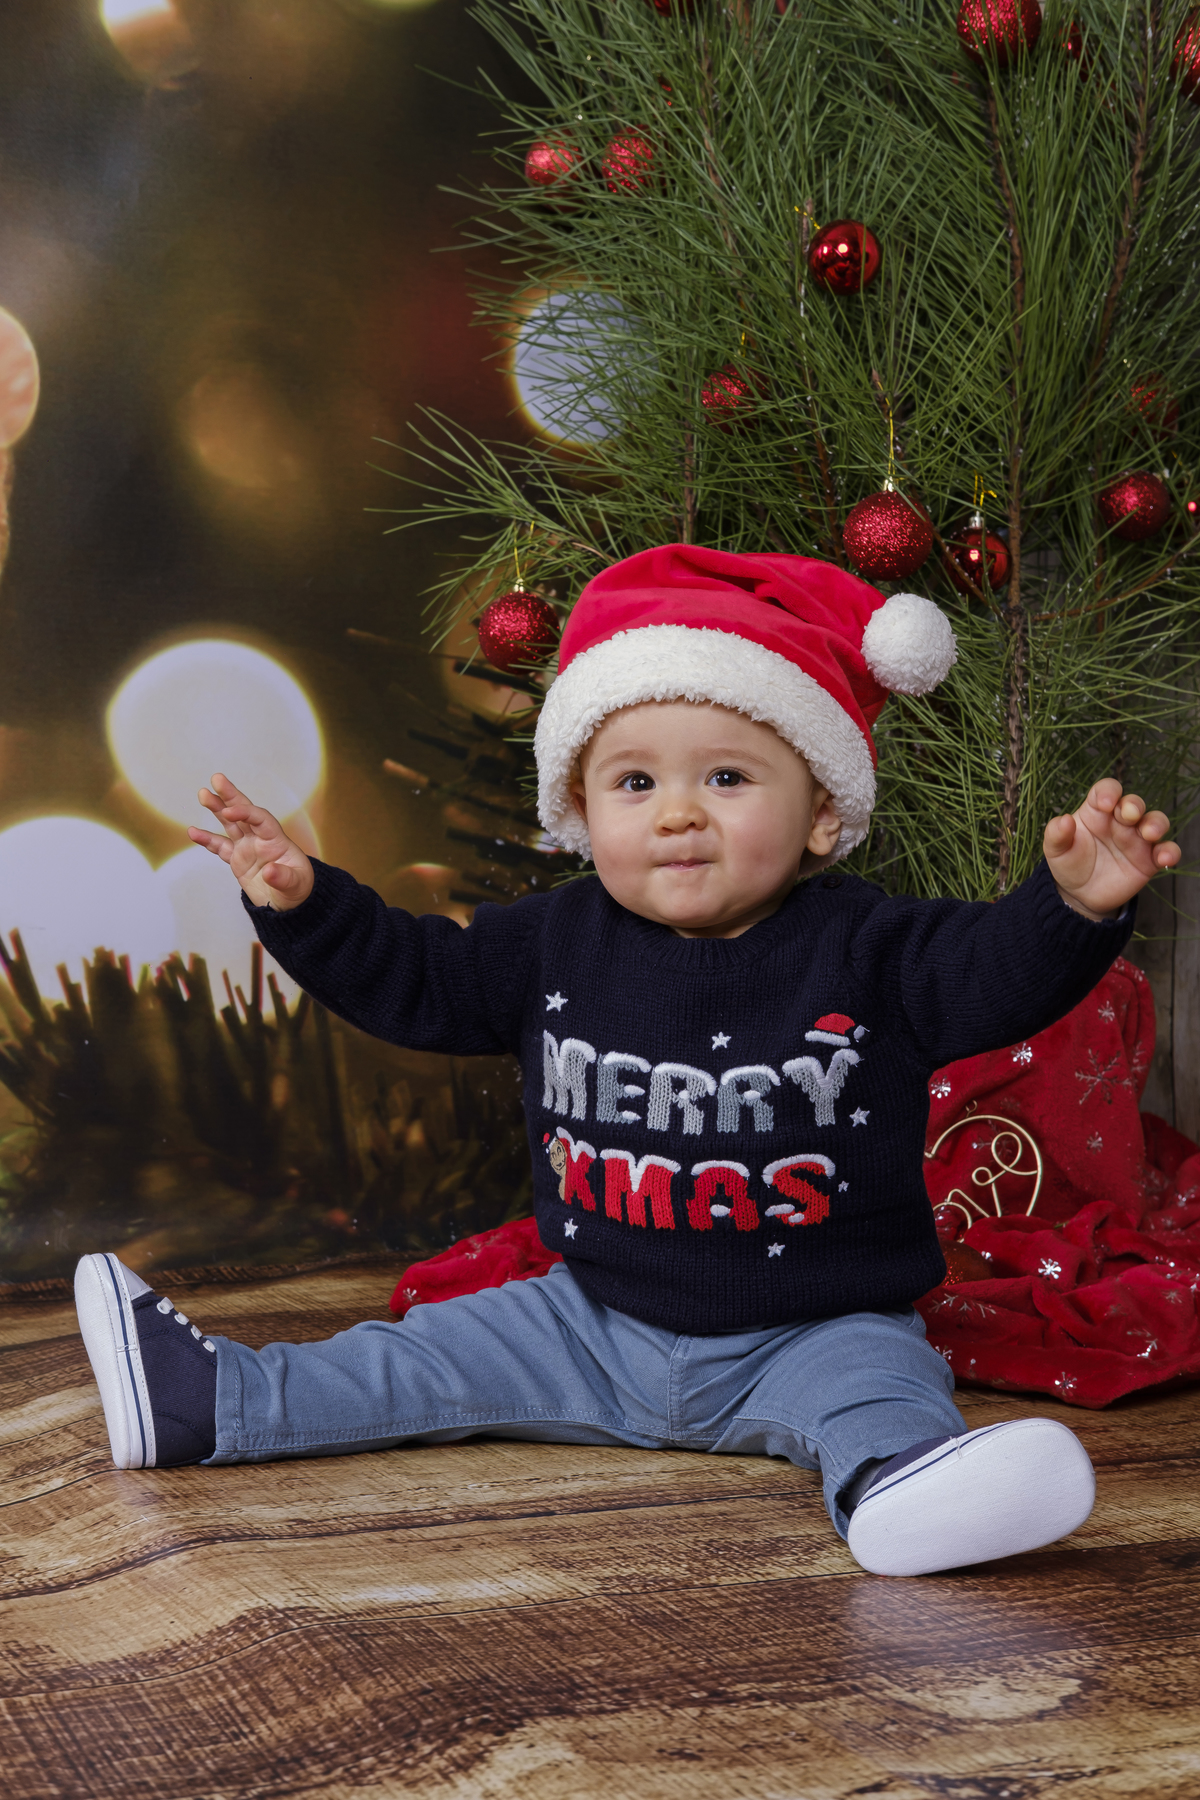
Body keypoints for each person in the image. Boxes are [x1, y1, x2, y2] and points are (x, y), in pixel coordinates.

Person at [74, 544, 1180, 1578]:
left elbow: (996, 975)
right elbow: (417, 983)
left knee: (889, 1390)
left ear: (824, 818)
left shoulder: (871, 945)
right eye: (636, 784)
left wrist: (1071, 907)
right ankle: (213, 1402)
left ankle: (899, 1493)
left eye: (731, 780)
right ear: (581, 809)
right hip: (586, 1322)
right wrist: (307, 903)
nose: (679, 815)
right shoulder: (552, 939)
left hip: (811, 1329)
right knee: (408, 1358)